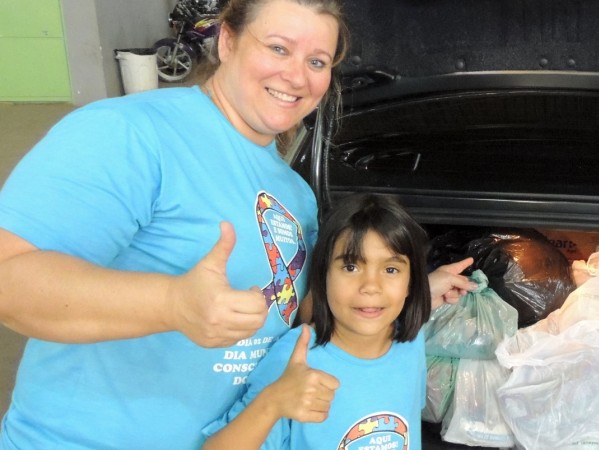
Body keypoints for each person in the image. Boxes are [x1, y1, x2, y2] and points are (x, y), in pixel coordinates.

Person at [0, 0, 472, 448]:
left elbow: (300, 308)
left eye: (317, 61)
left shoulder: (294, 194)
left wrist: (410, 292)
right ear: (227, 40)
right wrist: (172, 304)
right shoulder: (130, 133)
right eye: (278, 48)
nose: (296, 75)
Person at [203, 193, 433, 449]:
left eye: (391, 270)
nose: (370, 287)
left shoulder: (411, 342)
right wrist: (272, 402)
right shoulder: (296, 358)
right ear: (323, 276)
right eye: (350, 267)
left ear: (411, 282)